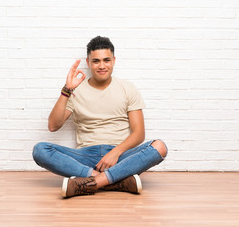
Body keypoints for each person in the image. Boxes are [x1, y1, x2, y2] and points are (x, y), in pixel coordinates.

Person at [33, 36, 168, 198]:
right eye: (96, 61)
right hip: (85, 157)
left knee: (159, 147)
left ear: (114, 60)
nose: (102, 66)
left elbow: (138, 134)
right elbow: (53, 126)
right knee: (40, 150)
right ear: (88, 62)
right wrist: (66, 90)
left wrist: (115, 153)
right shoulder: (75, 91)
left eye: (106, 60)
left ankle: (90, 183)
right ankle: (116, 181)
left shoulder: (127, 88)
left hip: (120, 156)